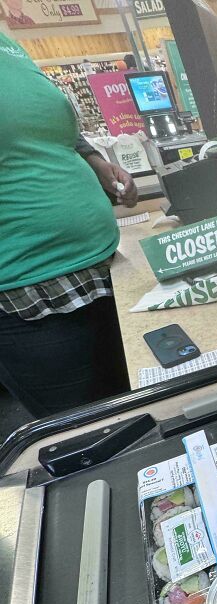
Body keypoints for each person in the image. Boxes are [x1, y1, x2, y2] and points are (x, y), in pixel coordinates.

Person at [0, 32, 138, 417]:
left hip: (95, 269)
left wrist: (96, 161)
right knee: (89, 435)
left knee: (132, 412)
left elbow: (49, 127)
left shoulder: (9, 44)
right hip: (28, 293)